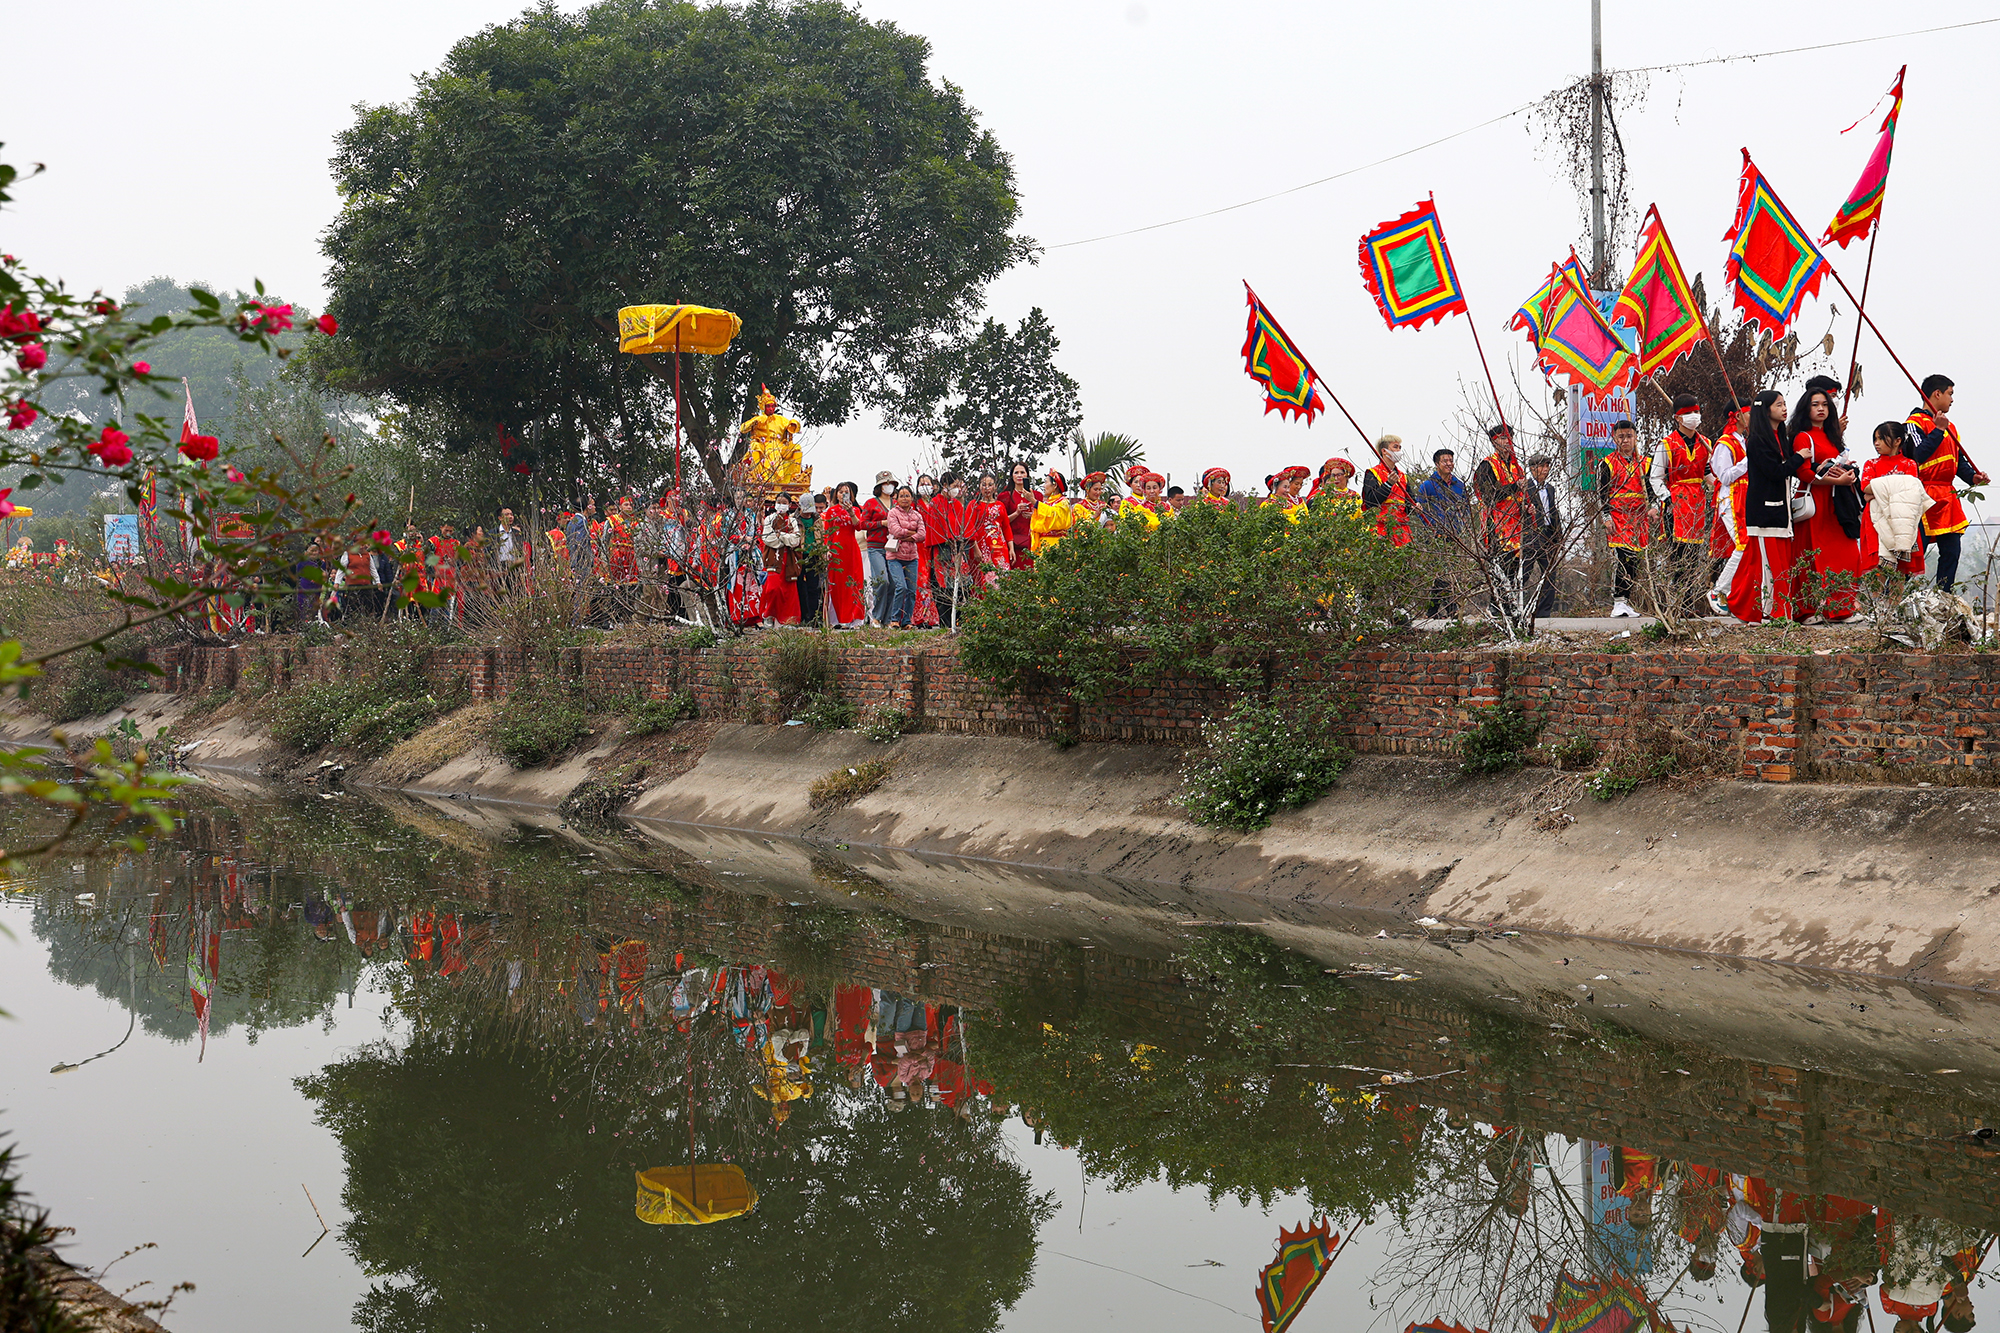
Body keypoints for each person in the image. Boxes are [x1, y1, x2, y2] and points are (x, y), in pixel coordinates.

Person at [1727, 389, 1816, 623]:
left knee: (1780, 566)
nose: (1784, 408)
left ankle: (1772, 611)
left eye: (1785, 404)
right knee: (1770, 567)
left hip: (1781, 513)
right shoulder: (1756, 440)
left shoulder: (1781, 438)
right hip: (1766, 514)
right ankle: (1771, 614)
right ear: (1765, 410)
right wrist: (1798, 457)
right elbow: (1775, 472)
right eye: (1779, 405)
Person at [1906, 374, 1988, 592]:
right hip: (1923, 494)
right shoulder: (1914, 423)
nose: (1952, 400)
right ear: (1937, 393)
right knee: (1914, 552)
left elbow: (1958, 460)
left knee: (1951, 551)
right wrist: (1938, 430)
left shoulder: (1950, 427)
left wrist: (1972, 477)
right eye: (1950, 394)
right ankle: (1888, 602)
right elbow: (1918, 455)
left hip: (1948, 495)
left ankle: (1943, 597)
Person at [1788, 384, 1863, 622]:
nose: (1821, 409)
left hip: (1836, 504)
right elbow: (1803, 473)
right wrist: (1835, 479)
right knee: (1811, 556)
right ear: (1805, 409)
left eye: (1824, 404)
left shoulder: (1833, 437)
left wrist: (1847, 472)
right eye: (1815, 405)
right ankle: (1805, 610)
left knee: (1847, 554)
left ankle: (1841, 608)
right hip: (1816, 503)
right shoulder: (1803, 436)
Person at [1650, 393, 1715, 618]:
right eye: (1688, 413)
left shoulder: (1705, 443)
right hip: (1675, 504)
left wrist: (1721, 487)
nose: (1693, 417)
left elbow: (1708, 472)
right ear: (1678, 417)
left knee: (1694, 556)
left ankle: (1689, 604)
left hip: (1697, 503)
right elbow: (1655, 477)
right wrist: (1666, 498)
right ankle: (1678, 605)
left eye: (1696, 412)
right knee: (1678, 556)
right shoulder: (1666, 445)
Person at [1472, 424, 1530, 612]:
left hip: (1516, 524)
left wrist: (1528, 506)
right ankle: (1496, 605)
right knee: (1500, 565)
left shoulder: (1516, 467)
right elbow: (1489, 495)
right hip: (1496, 523)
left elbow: (1522, 494)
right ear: (1494, 441)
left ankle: (1508, 604)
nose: (1507, 442)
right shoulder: (1487, 465)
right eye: (1503, 438)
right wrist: (1514, 487)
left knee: (1514, 566)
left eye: (1509, 438)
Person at [1597, 420, 1651, 618]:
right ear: (1614, 438)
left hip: (1639, 518)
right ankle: (1618, 600)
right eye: (1621, 437)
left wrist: (1652, 508)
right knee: (1623, 558)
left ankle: (1626, 600)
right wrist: (1606, 516)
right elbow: (1602, 494)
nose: (1625, 440)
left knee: (1634, 560)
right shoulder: (1607, 463)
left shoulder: (1645, 462)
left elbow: (1651, 490)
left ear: (1635, 437)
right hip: (1619, 517)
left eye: (1629, 436)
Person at [1860, 422, 1927, 576]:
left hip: (1902, 519)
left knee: (1900, 572)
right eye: (1875, 439)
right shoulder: (1871, 464)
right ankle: (1876, 601)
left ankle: (1894, 601)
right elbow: (1865, 486)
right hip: (1875, 520)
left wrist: (1877, 490)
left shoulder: (1909, 464)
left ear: (1897, 441)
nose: (1877, 443)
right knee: (1877, 571)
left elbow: (1911, 491)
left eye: (1882, 439)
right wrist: (1894, 486)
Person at [1706, 399, 1751, 616]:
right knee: (1744, 545)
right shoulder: (1725, 443)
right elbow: (1723, 476)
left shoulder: (1744, 441)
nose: (1752, 417)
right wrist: (1747, 462)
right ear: (1736, 416)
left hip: (1745, 498)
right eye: (1748, 412)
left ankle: (1733, 593)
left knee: (1745, 547)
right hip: (1731, 498)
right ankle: (1719, 589)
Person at [1416, 448, 1470, 615]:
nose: (1449, 464)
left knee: (1451, 571)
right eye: (1445, 461)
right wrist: (1430, 527)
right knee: (1443, 571)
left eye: (1451, 460)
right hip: (1436, 534)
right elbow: (1419, 509)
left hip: (1456, 533)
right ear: (1437, 464)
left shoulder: (1459, 485)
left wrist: (1464, 527)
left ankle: (1433, 610)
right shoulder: (1428, 485)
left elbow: (1466, 508)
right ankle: (1451, 608)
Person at [821, 482, 869, 626]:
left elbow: (858, 526)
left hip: (851, 549)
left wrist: (851, 513)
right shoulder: (831, 511)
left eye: (846, 492)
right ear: (836, 494)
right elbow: (827, 532)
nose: (843, 494)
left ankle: (854, 618)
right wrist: (827, 549)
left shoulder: (855, 510)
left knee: (853, 582)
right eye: (840, 492)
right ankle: (837, 619)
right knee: (837, 583)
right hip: (836, 549)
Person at [1523, 455, 1562, 617]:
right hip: (1530, 535)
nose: (1546, 469)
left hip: (1548, 535)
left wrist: (1558, 535)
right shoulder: (1525, 487)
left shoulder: (1550, 488)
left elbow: (1553, 512)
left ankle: (1543, 612)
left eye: (1547, 466)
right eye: (1542, 466)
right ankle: (1510, 605)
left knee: (1550, 574)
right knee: (1524, 573)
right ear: (1533, 469)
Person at [882, 485, 925, 628]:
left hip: (912, 556)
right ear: (897, 498)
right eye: (901, 496)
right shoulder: (892, 513)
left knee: (912, 591)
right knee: (901, 587)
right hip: (895, 556)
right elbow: (895, 531)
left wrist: (907, 535)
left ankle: (906, 621)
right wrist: (913, 534)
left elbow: (923, 535)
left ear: (912, 498)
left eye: (907, 495)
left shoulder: (917, 515)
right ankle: (894, 619)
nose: (904, 498)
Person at [859, 471, 897, 626]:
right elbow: (863, 524)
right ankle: (876, 616)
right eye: (886, 483)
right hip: (875, 546)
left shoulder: (897, 503)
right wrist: (881, 523)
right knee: (882, 581)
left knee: (894, 583)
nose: (889, 486)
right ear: (880, 486)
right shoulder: (871, 503)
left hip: (894, 547)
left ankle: (887, 619)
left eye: (891, 483)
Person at [760, 495, 803, 625]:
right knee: (772, 588)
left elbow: (796, 540)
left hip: (789, 560)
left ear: (789, 505)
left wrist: (780, 535)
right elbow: (768, 539)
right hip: (774, 558)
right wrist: (785, 540)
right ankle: (768, 615)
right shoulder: (769, 519)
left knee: (789, 591)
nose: (781, 505)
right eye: (778, 502)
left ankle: (788, 620)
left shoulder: (793, 521)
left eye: (784, 503)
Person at [1361, 435, 1411, 545]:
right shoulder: (1372, 473)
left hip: (1401, 528)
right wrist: (1388, 485)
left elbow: (1409, 502)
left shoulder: (1403, 476)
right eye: (1395, 447)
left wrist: (1414, 507)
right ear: (1384, 451)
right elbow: (1370, 502)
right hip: (1380, 527)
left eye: (1399, 448)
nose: (1399, 451)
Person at [1000, 461, 1039, 569]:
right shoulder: (1005, 496)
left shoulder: (1037, 496)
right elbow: (1000, 523)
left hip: (1033, 544)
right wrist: (1016, 513)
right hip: (1013, 545)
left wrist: (1034, 516)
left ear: (1027, 475)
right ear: (1012, 476)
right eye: (1016, 472)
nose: (1019, 475)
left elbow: (1045, 518)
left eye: (1022, 472)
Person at [1031, 470, 1074, 552]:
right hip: (1043, 544)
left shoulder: (1063, 502)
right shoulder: (1046, 503)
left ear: (1055, 485)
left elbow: (1054, 516)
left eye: (1046, 482)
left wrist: (1035, 502)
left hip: (1057, 543)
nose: (1043, 486)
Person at [495, 507, 526, 591]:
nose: (510, 517)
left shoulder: (517, 534)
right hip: (499, 569)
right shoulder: (493, 534)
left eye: (511, 514)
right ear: (500, 518)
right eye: (507, 514)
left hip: (514, 568)